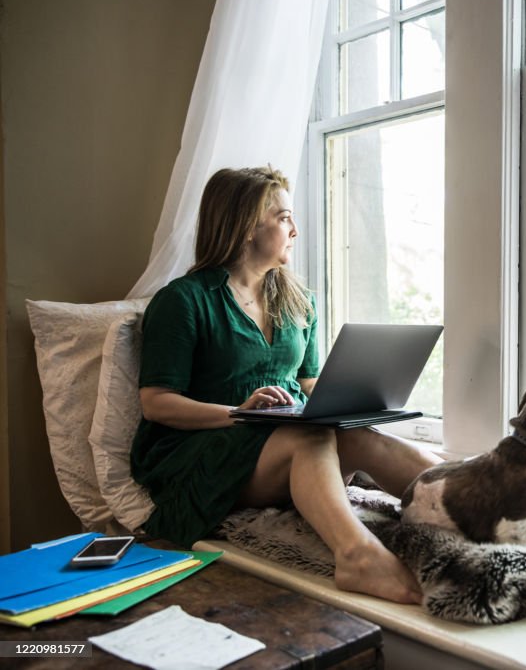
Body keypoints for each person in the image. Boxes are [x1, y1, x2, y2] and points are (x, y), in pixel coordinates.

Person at [130, 166, 440, 604]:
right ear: (245, 226)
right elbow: (156, 403)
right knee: (309, 436)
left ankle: (480, 502)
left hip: (282, 434)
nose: (294, 229)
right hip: (204, 450)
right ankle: (357, 555)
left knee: (362, 437)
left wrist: (351, 403)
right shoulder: (183, 301)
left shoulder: (298, 300)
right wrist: (240, 412)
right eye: (284, 217)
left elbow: (309, 382)